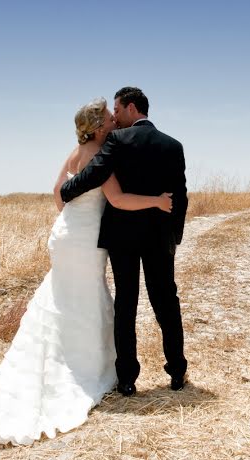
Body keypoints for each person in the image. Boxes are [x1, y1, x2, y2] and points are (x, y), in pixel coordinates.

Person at [0, 98, 173, 446]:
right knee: (85, 301)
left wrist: (74, 215)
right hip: (86, 240)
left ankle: (68, 363)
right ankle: (85, 371)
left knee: (61, 300)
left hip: (65, 234)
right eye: (108, 117)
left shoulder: (74, 153)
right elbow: (117, 200)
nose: (114, 120)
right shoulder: (103, 156)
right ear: (100, 126)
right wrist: (157, 201)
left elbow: (58, 194)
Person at [61, 87, 188, 396]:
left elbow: (93, 174)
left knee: (126, 304)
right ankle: (177, 371)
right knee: (166, 302)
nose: (114, 116)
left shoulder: (117, 140)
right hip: (160, 237)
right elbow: (181, 195)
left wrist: (67, 191)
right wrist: (175, 235)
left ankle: (128, 379)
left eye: (117, 109)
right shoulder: (173, 145)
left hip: (123, 237)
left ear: (131, 107)